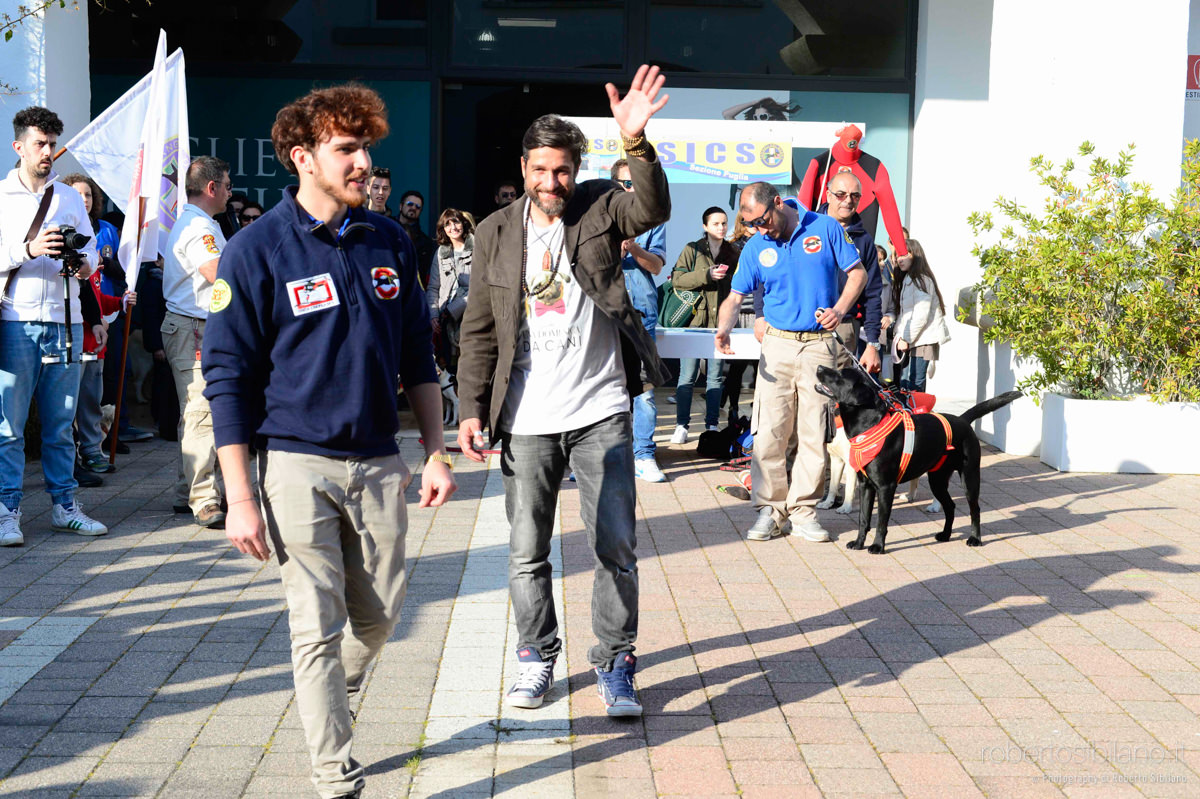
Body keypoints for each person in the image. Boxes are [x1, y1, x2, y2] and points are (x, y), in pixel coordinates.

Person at [204, 83, 456, 799]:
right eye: (346, 149)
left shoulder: (389, 240)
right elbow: (225, 376)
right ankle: (335, 774)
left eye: (365, 147)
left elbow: (417, 355)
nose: (363, 163)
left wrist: (436, 450)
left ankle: (330, 691)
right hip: (294, 463)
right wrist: (240, 498)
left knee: (379, 617)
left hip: (379, 462)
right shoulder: (254, 249)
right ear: (302, 157)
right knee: (312, 625)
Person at [456, 65, 671, 717]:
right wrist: (470, 408)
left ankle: (615, 662)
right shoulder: (494, 232)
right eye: (542, 170)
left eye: (563, 171)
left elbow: (651, 208)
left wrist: (636, 143)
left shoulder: (600, 205)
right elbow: (479, 327)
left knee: (615, 547)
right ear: (524, 168)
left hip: (601, 411)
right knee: (527, 551)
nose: (552, 182)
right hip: (525, 418)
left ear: (577, 170)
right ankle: (536, 655)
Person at [714, 182, 865, 544]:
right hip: (777, 345)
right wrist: (723, 328)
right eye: (752, 224)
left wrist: (840, 309)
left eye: (763, 221)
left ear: (778, 203)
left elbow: (858, 273)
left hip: (818, 346)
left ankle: (804, 513)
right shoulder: (756, 246)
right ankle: (770, 510)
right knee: (770, 431)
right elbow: (735, 296)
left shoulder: (825, 227)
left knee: (814, 432)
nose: (760, 230)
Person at [0, 106, 108, 545]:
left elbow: (93, 252)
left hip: (66, 319)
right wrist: (27, 249)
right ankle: (7, 511)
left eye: (52, 144)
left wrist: (83, 263)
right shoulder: (1, 197)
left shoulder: (67, 197)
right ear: (19, 147)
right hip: (16, 319)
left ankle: (65, 506)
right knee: (9, 426)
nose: (47, 152)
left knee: (62, 424)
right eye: (40, 144)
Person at [161, 156, 232, 529]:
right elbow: (217, 273)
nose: (230, 193)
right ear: (211, 188)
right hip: (195, 327)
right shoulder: (199, 227)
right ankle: (204, 500)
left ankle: (186, 489)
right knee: (201, 413)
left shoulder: (198, 222)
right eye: (227, 185)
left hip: (196, 326)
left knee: (194, 412)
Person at [62, 173, 136, 480]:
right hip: (71, 339)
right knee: (67, 406)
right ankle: (69, 460)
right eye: (77, 194)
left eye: (88, 194)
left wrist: (119, 302)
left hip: (95, 343)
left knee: (92, 402)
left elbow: (95, 298)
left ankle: (93, 451)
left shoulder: (94, 250)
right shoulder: (62, 245)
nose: (84, 200)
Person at [611, 158, 667, 482]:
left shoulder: (653, 219)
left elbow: (657, 266)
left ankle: (643, 454)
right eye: (627, 183)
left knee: (643, 388)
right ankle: (603, 458)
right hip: (605, 314)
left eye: (637, 183)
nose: (633, 189)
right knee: (603, 387)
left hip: (641, 312)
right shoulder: (600, 217)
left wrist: (633, 249)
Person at [669, 206, 736, 442]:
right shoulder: (692, 249)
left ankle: (712, 425)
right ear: (705, 226)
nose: (721, 227)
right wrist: (706, 275)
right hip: (693, 322)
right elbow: (677, 280)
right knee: (687, 377)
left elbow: (739, 286)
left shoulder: (732, 251)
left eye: (724, 223)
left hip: (719, 324)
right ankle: (681, 425)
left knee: (715, 378)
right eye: (716, 223)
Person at [818, 172, 884, 373]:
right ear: (828, 195)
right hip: (804, 322)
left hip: (843, 326)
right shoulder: (806, 228)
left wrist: (872, 343)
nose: (848, 200)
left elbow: (872, 294)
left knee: (836, 389)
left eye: (855, 196)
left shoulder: (864, 241)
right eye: (841, 194)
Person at [888, 238, 950, 392]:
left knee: (914, 384)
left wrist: (905, 338)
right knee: (905, 383)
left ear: (915, 255)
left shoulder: (922, 280)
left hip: (924, 339)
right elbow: (905, 314)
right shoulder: (909, 279)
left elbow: (921, 315)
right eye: (898, 255)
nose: (899, 259)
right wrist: (899, 334)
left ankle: (915, 409)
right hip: (913, 338)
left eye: (904, 255)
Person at [720, 214, 758, 423]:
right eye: (748, 221)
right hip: (738, 310)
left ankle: (758, 409)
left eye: (756, 221)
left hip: (760, 312)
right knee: (737, 365)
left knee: (761, 365)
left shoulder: (767, 242)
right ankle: (732, 407)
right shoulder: (731, 246)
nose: (753, 225)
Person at [426, 207, 473, 373]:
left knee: (470, 368)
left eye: (456, 222)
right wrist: (433, 315)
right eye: (448, 224)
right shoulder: (441, 253)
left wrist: (453, 309)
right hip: (445, 323)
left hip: (470, 318)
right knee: (450, 370)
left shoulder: (478, 248)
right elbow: (433, 287)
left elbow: (480, 288)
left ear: (463, 224)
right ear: (443, 229)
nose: (453, 227)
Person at [397, 189, 434, 287]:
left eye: (418, 207)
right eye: (410, 204)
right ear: (401, 206)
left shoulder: (426, 243)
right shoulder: (387, 228)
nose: (413, 208)